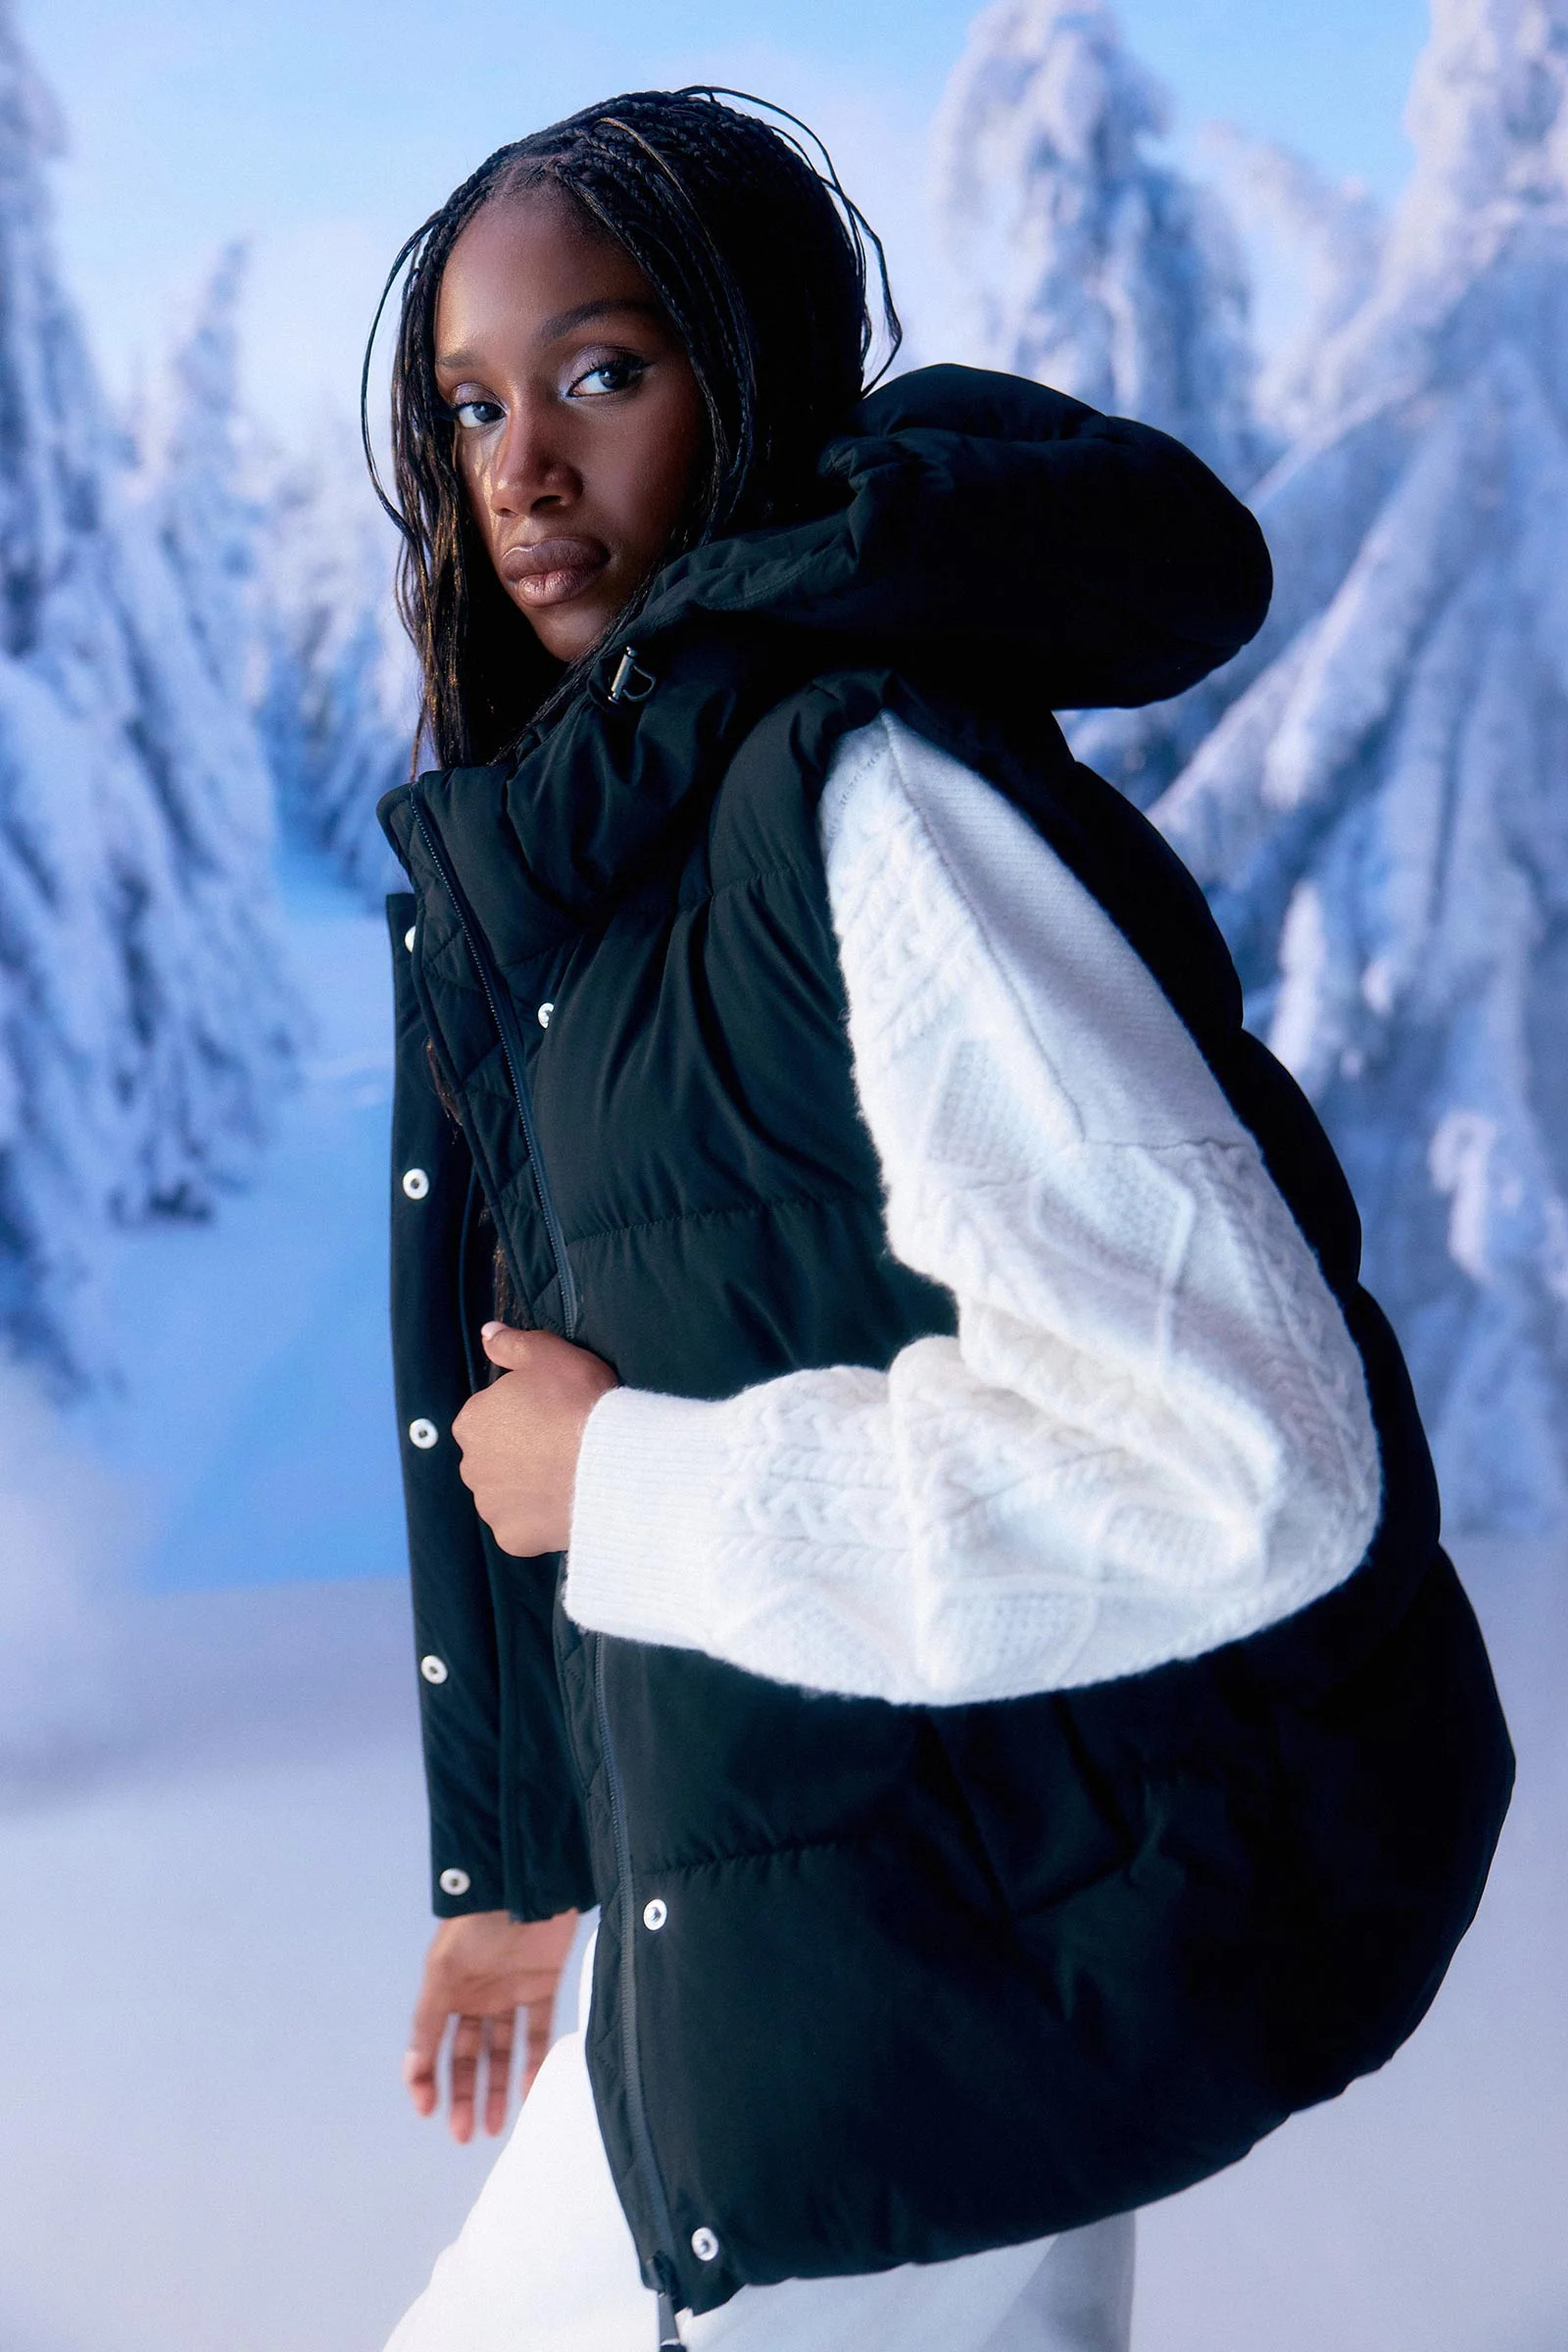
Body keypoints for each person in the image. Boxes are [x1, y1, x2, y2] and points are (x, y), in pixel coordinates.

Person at [368, 89, 1513, 2352]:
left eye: (601, 372)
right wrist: (518, 1868)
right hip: (852, 1961)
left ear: (748, 365)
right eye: (475, 407)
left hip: (925, 2014)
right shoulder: (621, 839)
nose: (523, 471)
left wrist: (633, 1486)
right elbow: (576, 1342)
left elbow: (1240, 1471)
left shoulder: (860, 802)